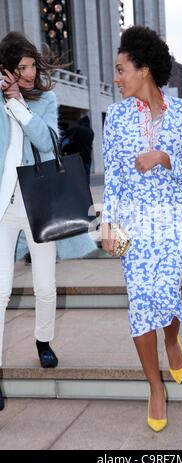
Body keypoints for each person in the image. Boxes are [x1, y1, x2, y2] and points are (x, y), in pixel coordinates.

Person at [102, 26, 182, 432]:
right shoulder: (116, 117)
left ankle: (171, 338)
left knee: (165, 292)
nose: (117, 77)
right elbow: (112, 175)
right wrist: (107, 221)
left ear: (144, 69)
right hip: (133, 219)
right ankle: (155, 387)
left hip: (174, 217)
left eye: (122, 68)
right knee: (141, 304)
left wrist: (164, 157)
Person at [0, 32, 96, 411]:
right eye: (20, 68)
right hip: (2, 208)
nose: (28, 73)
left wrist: (20, 105)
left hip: (39, 204)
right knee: (0, 291)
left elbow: (47, 143)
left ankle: (43, 341)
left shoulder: (45, 99)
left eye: (31, 66)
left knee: (44, 285)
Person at [60, 115, 94, 185]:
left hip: (78, 157)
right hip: (88, 157)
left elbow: (65, 134)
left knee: (77, 176)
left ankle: (79, 191)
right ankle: (86, 192)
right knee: (86, 176)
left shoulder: (78, 128)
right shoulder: (91, 132)